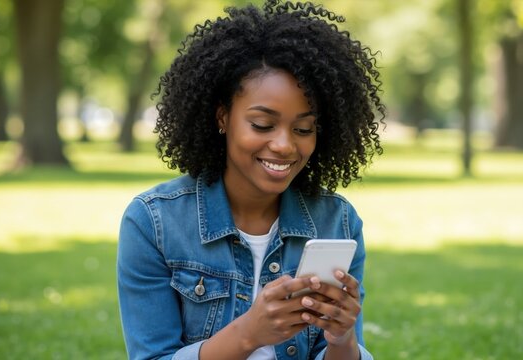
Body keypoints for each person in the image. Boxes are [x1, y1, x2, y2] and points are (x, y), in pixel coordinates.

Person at [117, 0, 385, 359]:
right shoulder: (154, 223)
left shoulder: (337, 222)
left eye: (303, 128)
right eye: (262, 124)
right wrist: (250, 333)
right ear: (223, 117)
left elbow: (343, 350)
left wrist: (341, 339)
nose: (285, 145)